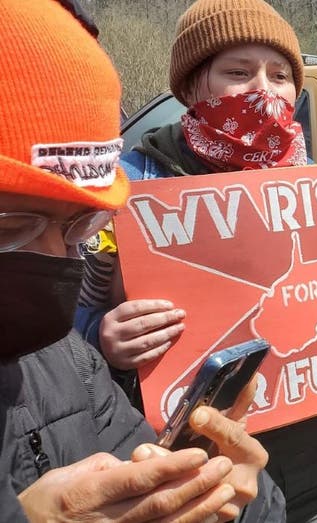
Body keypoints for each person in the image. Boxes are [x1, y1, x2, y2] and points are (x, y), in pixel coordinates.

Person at [73, 1, 317, 521]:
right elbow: (67, 341)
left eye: (281, 74)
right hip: (200, 479)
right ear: (194, 87)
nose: (264, 89)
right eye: (238, 72)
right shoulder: (129, 191)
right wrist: (105, 342)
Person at [0, 1, 282, 521]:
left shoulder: (67, 368)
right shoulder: (144, 181)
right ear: (193, 88)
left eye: (82, 225)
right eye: (11, 228)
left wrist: (220, 488)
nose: (57, 257)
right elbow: (87, 315)